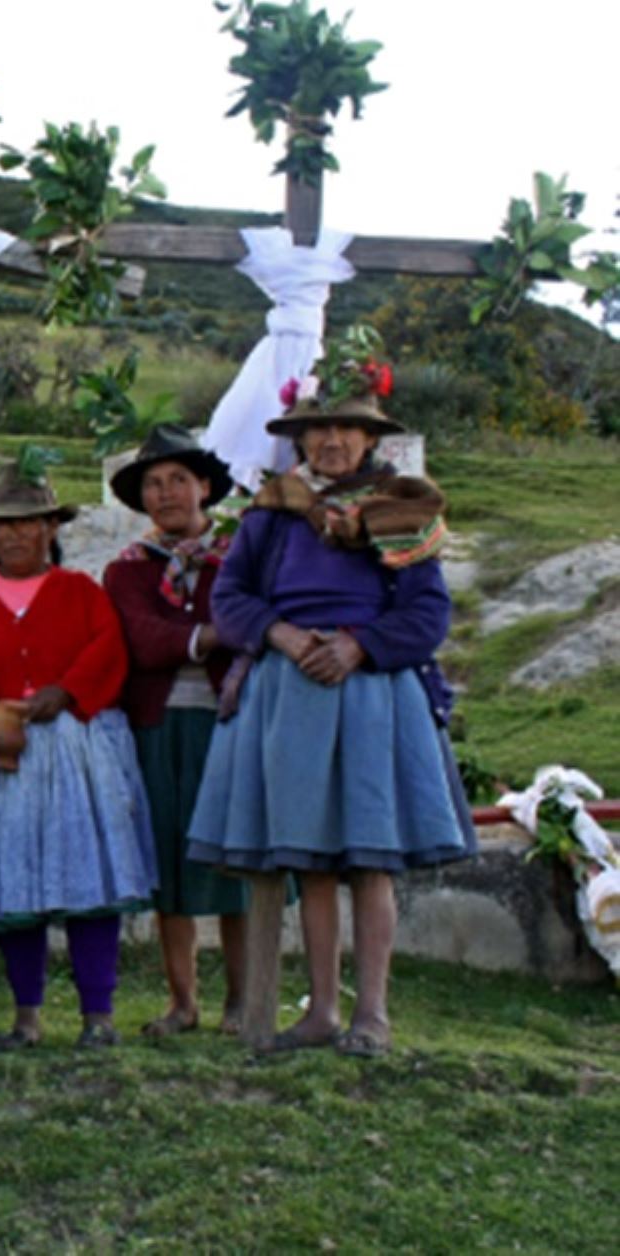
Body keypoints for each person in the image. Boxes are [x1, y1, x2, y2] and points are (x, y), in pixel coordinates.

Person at [187, 354, 475, 1058]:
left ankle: (371, 1014)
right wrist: (281, 635)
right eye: (318, 431)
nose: (332, 442)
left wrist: (357, 647)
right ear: (300, 439)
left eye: (347, 429)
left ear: (369, 439)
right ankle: (319, 1010)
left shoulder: (402, 507)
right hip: (289, 690)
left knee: (369, 861)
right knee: (310, 860)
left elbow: (425, 614)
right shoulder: (271, 512)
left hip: (371, 692)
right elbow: (231, 598)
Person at [0, 459, 155, 1051]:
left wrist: (66, 690)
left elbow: (108, 649)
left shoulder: (80, 593)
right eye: (4, 525)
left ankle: (97, 1014)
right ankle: (26, 1016)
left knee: (86, 879)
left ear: (52, 528)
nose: (15, 535)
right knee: (14, 884)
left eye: (28, 523)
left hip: (73, 753)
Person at [104, 425, 250, 1037]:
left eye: (178, 481)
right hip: (158, 728)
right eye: (153, 484)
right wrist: (219, 634)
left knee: (238, 862)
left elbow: (255, 615)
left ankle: (244, 1001)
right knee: (167, 860)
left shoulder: (243, 556)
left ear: (205, 487)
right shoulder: (128, 572)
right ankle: (182, 1001)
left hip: (230, 725)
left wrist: (228, 630)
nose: (165, 494)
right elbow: (144, 641)